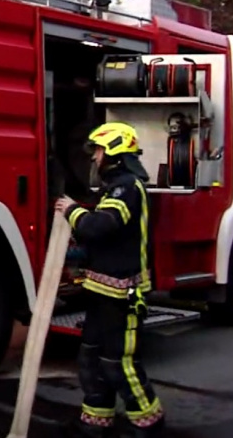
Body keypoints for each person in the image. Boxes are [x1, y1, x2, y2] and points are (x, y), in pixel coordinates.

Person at [54, 122, 165, 438]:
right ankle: (96, 422)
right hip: (104, 294)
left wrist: (72, 211)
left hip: (126, 295)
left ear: (114, 152)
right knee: (91, 357)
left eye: (99, 151)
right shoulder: (114, 188)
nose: (95, 158)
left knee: (119, 362)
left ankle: (148, 423)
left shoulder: (127, 188)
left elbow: (101, 226)